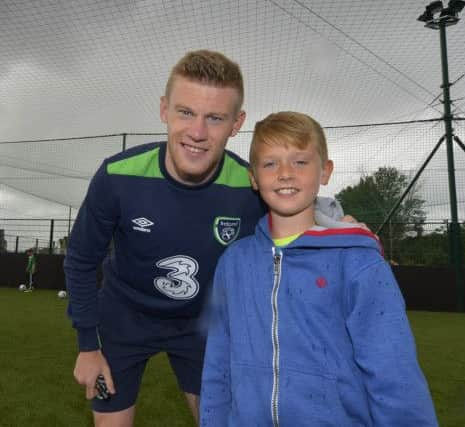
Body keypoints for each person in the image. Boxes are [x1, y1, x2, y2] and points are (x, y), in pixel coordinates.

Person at [64, 51, 346, 427]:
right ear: (164, 110)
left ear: (236, 123)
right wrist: (87, 345)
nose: (197, 132)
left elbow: (294, 205)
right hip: (123, 321)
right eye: (185, 112)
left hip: (203, 327)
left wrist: (337, 221)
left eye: (215, 118)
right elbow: (81, 259)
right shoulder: (117, 176)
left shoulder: (248, 185)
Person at [200, 111, 438, 426]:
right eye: (270, 163)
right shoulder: (234, 263)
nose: (285, 173)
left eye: (300, 162)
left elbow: (394, 372)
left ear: (325, 172)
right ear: (253, 178)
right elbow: (218, 365)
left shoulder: (358, 260)